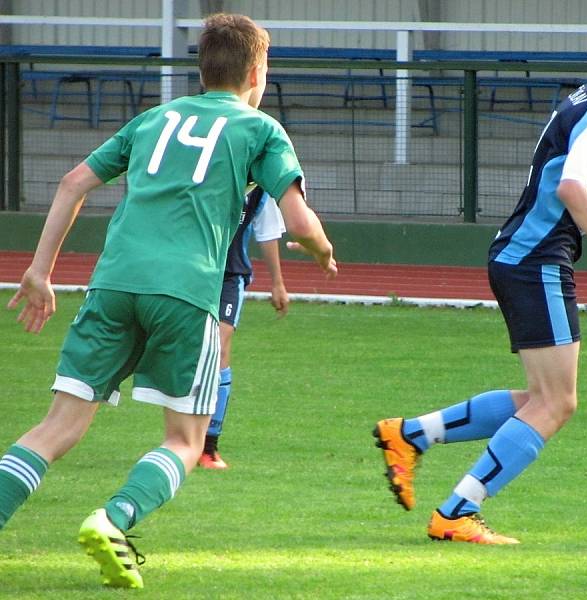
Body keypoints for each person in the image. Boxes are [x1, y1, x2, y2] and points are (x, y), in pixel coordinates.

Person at [1, 13, 336, 588]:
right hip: (186, 294)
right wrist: (323, 251)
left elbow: (72, 182)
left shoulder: (153, 118)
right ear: (257, 71)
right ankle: (114, 519)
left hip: (112, 285)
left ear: (203, 68)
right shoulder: (260, 128)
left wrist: (39, 271)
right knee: (186, 440)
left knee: (55, 428)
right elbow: (300, 221)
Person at [374, 6, 587, 544]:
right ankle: (456, 511)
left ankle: (410, 435)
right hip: (536, 259)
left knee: (537, 399)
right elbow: (571, 188)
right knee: (557, 402)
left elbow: (562, 174)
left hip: (524, 255)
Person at [199, 185, 289, 470]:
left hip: (230, 276)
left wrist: (277, 283)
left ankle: (208, 447)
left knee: (220, 348)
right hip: (193, 271)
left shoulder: (262, 188)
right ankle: (183, 436)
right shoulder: (208, 169)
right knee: (191, 350)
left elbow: (268, 233)